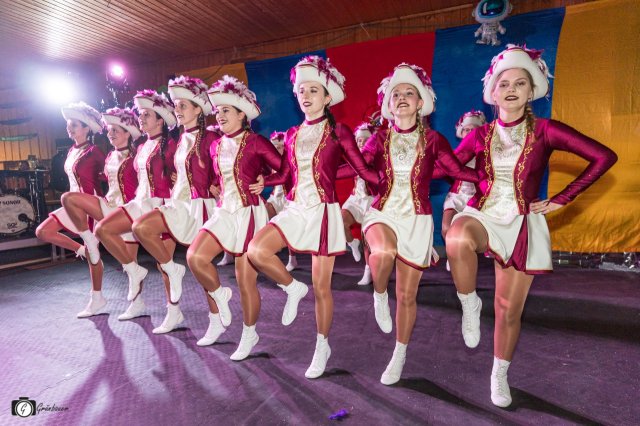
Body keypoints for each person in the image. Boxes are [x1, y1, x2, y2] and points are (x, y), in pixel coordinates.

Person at [445, 45, 617, 407]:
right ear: (493, 93)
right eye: (504, 83)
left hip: (522, 223)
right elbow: (448, 166)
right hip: (483, 214)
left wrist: (563, 198)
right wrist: (475, 177)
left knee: (508, 308)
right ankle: (469, 302)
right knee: (457, 238)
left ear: (532, 90)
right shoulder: (480, 135)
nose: (511, 89)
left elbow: (604, 157)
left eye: (520, 83)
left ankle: (499, 374)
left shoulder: (546, 130)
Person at [247, 55, 377, 378]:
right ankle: (292, 287)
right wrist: (266, 181)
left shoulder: (339, 131)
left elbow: (361, 169)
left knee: (322, 288)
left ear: (328, 97)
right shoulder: (292, 133)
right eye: (301, 90)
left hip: (323, 212)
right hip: (295, 207)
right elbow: (287, 174)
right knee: (257, 250)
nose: (305, 95)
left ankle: (322, 345)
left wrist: (390, 181)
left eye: (313, 90)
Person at [360, 63, 478, 385]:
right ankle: (379, 293)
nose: (402, 97)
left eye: (409, 93)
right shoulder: (378, 139)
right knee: (382, 253)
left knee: (407, 296)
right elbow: (357, 166)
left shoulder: (434, 139)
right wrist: (318, 176)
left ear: (421, 102)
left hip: (417, 220)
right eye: (396, 93)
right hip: (382, 213)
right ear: (388, 103)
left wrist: (494, 180)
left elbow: (457, 170)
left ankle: (399, 354)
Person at [186, 76, 283, 356]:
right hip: (224, 209)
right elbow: (218, 174)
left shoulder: (256, 142)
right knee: (195, 257)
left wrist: (267, 181)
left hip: (248, 211)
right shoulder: (215, 145)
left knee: (245, 280)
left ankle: (249, 334)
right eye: (218, 111)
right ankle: (220, 294)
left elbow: (286, 169)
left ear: (242, 114)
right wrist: (213, 184)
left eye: (226, 110)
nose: (219, 115)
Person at [131, 76, 218, 334]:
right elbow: (174, 169)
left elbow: (223, 164)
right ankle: (173, 311)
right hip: (177, 203)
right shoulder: (179, 140)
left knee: (201, 264)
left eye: (183, 106)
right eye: (176, 105)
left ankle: (216, 318)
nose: (177, 110)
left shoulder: (211, 137)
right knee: (155, 248)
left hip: (199, 206)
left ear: (198, 110)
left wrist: (217, 184)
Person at [94, 90, 178, 321]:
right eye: (140, 114)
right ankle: (135, 272)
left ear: (160, 120)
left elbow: (183, 171)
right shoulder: (141, 147)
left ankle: (174, 311)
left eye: (146, 115)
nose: (141, 118)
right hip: (139, 203)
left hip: (162, 206)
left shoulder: (170, 145)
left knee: (164, 265)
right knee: (103, 229)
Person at [35, 102, 106, 317]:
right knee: (43, 232)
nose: (69, 128)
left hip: (89, 202)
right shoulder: (71, 151)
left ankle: (97, 298)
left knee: (94, 253)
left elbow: (109, 175)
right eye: (68, 125)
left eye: (74, 125)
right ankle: (81, 249)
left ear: (87, 128)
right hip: (71, 202)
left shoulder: (95, 151)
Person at [340, 122, 377, 285]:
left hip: (371, 199)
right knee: (340, 221)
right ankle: (352, 243)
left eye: (365, 140)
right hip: (355, 199)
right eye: (359, 140)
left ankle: (368, 270)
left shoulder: (376, 156)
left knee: (366, 238)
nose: (361, 143)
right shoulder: (352, 156)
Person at [265, 131, 298, 272]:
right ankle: (266, 252)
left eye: (279, 147)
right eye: (274, 147)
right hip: (275, 198)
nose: (276, 150)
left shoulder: (290, 160)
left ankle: (292, 259)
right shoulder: (270, 161)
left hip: (288, 199)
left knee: (288, 230)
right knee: (264, 214)